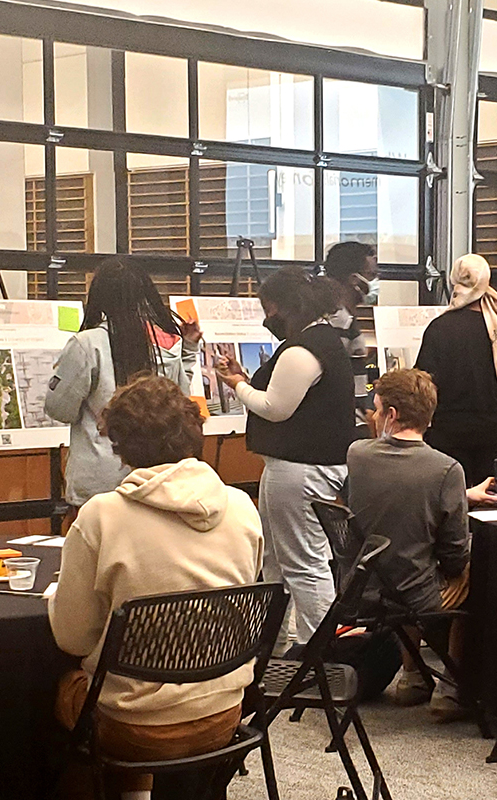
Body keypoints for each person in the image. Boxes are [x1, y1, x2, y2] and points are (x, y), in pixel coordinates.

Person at [49, 373, 263, 799]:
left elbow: (72, 636)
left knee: (60, 685)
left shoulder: (100, 517)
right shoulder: (241, 506)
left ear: (120, 444)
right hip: (222, 713)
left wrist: (54, 597)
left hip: (134, 728)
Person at [216, 267, 354, 651]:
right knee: (277, 563)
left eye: (269, 307)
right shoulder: (323, 341)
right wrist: (247, 380)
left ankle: (319, 652)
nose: (267, 316)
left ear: (284, 305)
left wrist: (238, 385)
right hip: (305, 468)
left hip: (299, 471)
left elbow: (275, 407)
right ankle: (270, 648)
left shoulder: (302, 349)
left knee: (304, 564)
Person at [346, 368, 470, 716]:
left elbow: (389, 500)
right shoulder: (446, 470)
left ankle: (412, 677)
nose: (372, 415)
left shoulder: (357, 454)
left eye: (376, 408)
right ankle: (451, 687)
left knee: (407, 560)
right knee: (471, 566)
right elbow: (455, 550)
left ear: (392, 415)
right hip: (411, 593)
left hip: (362, 588)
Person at [45, 258, 201, 520]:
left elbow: (59, 409)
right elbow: (180, 400)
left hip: (99, 481)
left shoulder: (87, 343)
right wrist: (189, 349)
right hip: (155, 477)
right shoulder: (167, 344)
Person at [415, 254, 497, 486]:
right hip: (496, 431)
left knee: (453, 500)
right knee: (492, 500)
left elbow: (423, 382)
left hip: (448, 431)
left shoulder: (439, 328)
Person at [322, 241, 380, 433]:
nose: (375, 281)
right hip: (343, 425)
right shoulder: (338, 321)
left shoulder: (345, 318)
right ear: (355, 279)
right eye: (372, 275)